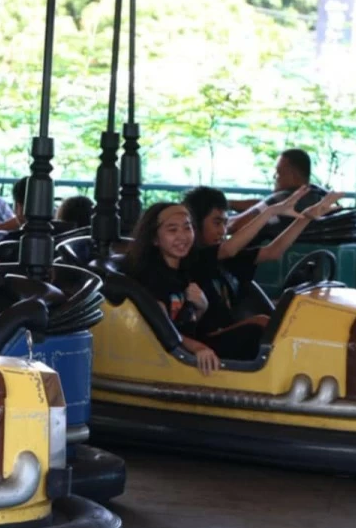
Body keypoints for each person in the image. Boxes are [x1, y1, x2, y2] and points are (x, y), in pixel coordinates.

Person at [122, 194, 303, 376]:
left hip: (196, 345)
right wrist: (198, 347)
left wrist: (202, 306)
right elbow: (163, 330)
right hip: (181, 356)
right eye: (172, 230)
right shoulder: (153, 276)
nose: (182, 236)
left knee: (265, 323)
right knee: (259, 327)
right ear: (154, 238)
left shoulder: (185, 268)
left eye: (187, 228)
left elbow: (188, 321)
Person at [183, 186, 343, 309]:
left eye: (225, 223)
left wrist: (306, 217)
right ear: (195, 224)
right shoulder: (194, 257)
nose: (222, 231)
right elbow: (228, 248)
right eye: (217, 223)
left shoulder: (227, 260)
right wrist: (270, 211)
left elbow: (273, 251)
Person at [228, 148, 332, 235]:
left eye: (278, 172)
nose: (275, 177)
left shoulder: (283, 200)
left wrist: (217, 222)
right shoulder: (316, 196)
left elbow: (236, 226)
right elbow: (260, 205)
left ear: (293, 174)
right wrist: (227, 203)